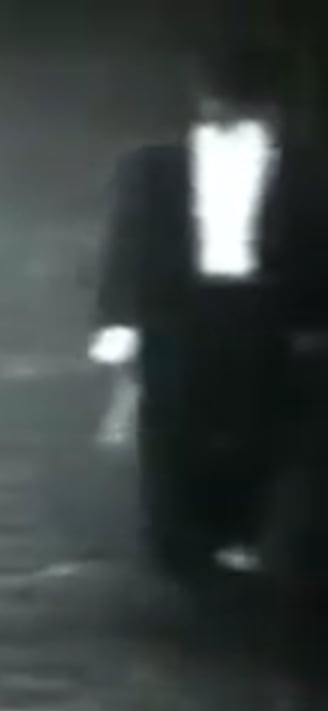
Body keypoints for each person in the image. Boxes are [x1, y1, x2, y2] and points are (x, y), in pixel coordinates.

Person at [91, 40, 328, 585]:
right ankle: (186, 540)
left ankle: (229, 533)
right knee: (175, 432)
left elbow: (315, 251)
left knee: (255, 433)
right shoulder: (154, 169)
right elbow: (130, 248)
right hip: (186, 317)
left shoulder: (304, 172)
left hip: (260, 318)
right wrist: (121, 331)